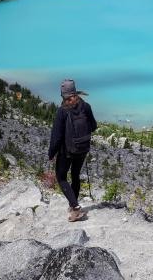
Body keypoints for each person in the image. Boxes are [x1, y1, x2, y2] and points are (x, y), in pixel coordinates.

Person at [48, 79, 97, 222]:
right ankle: (73, 203)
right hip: (83, 148)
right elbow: (93, 126)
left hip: (67, 151)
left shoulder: (62, 111)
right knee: (75, 175)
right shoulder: (85, 106)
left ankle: (75, 208)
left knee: (61, 177)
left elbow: (56, 136)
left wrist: (51, 153)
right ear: (75, 91)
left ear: (63, 95)